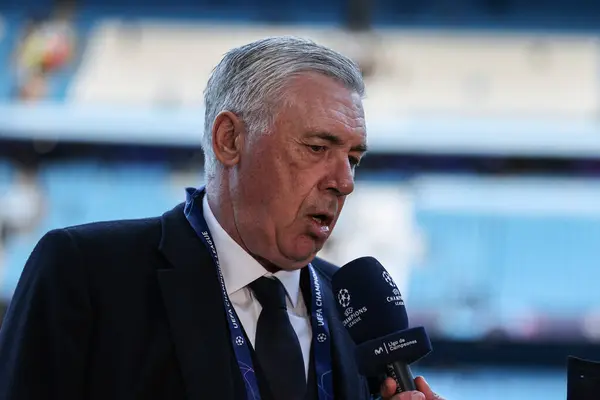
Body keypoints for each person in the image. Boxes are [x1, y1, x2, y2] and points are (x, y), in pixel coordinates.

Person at [0, 37, 443, 400]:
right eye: (317, 149)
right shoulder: (86, 273)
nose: (344, 182)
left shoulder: (352, 313)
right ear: (229, 139)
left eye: (354, 159)